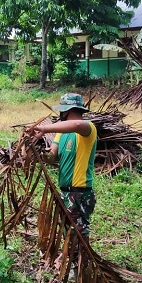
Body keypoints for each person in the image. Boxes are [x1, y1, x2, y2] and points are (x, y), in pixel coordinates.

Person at [33, 93, 97, 253]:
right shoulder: (61, 133)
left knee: (78, 236)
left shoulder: (88, 128)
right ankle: (75, 264)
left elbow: (76, 125)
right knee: (69, 234)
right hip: (65, 193)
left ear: (67, 110)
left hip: (80, 193)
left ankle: (82, 265)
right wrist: (40, 152)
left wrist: (43, 129)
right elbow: (51, 157)